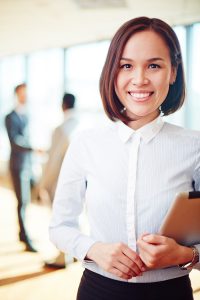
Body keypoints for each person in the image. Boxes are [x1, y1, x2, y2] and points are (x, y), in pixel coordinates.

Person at [49, 17, 200, 300]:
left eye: (154, 65)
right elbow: (59, 227)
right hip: (98, 290)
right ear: (112, 72)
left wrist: (185, 254)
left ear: (173, 72)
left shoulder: (195, 147)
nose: (140, 79)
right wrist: (94, 249)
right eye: (126, 65)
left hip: (171, 293)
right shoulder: (86, 143)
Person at [40, 93, 78, 268]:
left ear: (63, 105)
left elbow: (53, 160)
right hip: (82, 181)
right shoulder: (82, 126)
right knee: (77, 216)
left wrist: (43, 184)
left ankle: (63, 257)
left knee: (62, 219)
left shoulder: (61, 128)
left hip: (62, 182)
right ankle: (76, 252)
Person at [5, 83, 37, 252]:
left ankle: (22, 233)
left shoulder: (27, 115)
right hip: (17, 165)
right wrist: (33, 148)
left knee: (28, 200)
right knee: (22, 201)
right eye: (23, 93)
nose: (26, 96)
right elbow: (15, 141)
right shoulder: (10, 117)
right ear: (17, 95)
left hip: (28, 164)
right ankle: (24, 236)